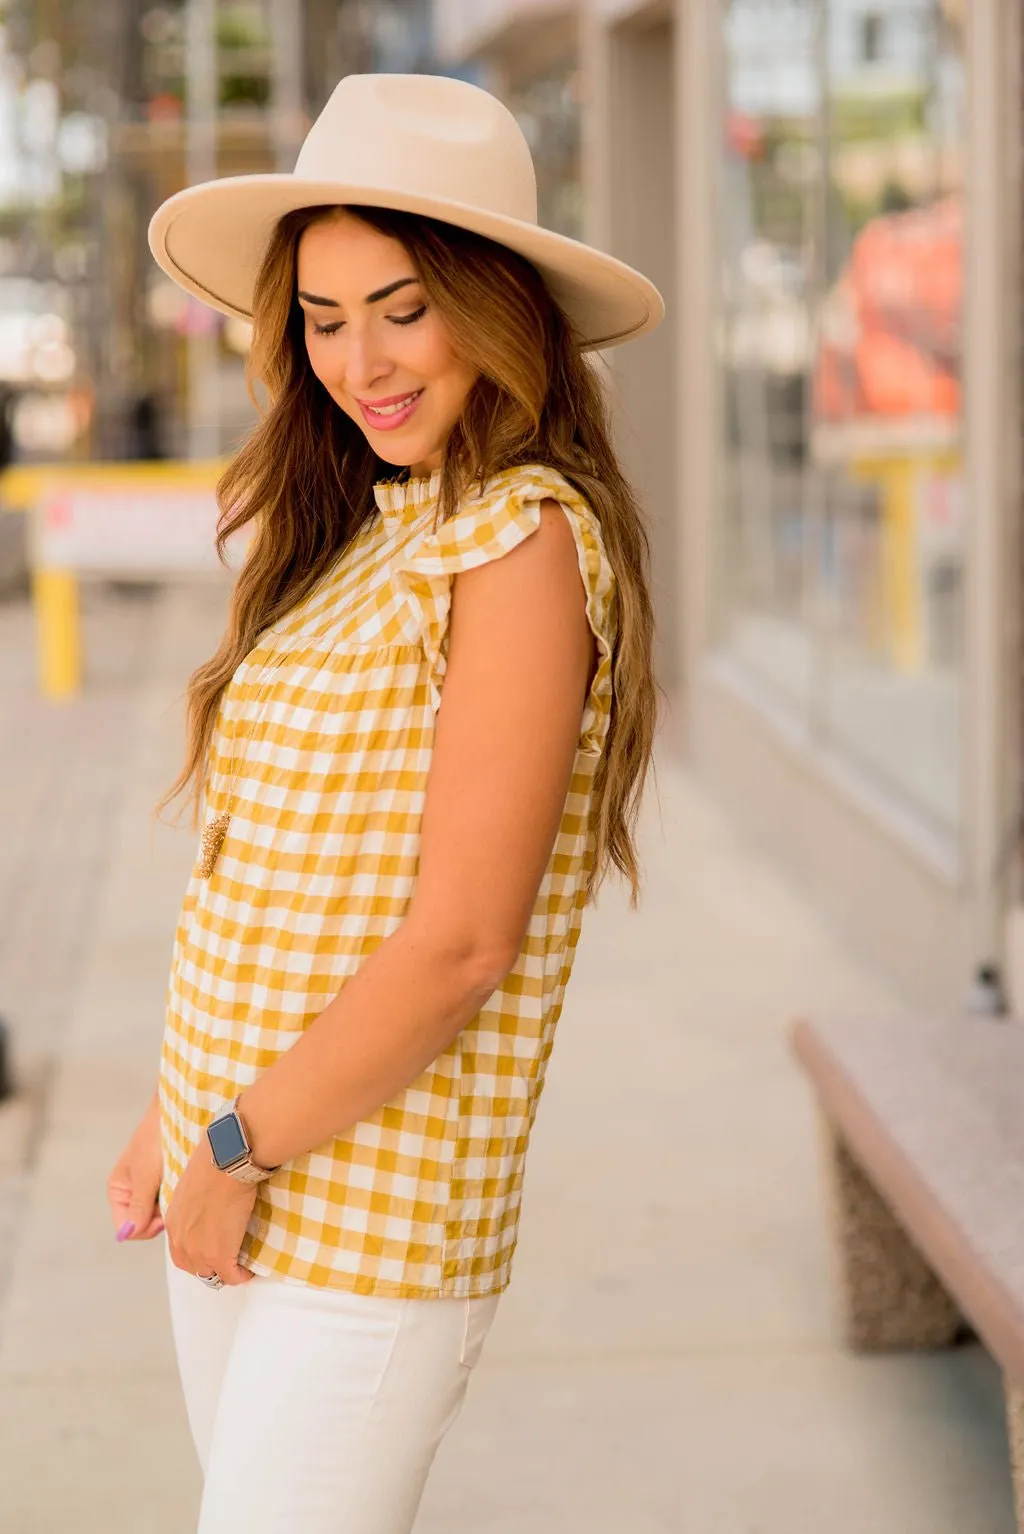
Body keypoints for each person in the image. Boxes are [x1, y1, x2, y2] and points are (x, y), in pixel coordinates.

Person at [107, 72, 663, 1534]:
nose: (362, 359)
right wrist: (176, 1115)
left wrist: (231, 1145)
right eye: (325, 315)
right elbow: (279, 881)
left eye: (403, 306)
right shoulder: (365, 525)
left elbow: (463, 940)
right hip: (240, 1152)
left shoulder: (525, 542)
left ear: (497, 306)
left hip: (374, 1207)